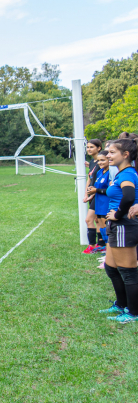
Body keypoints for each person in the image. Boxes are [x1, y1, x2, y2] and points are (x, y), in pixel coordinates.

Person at [97, 138, 138, 323]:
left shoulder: (128, 173)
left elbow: (129, 196)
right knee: (111, 267)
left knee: (127, 271)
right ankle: (121, 305)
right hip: (116, 227)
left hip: (124, 226)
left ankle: (133, 312)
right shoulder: (121, 173)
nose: (108, 155)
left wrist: (118, 214)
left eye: (112, 152)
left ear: (126, 155)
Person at [85, 152, 111, 254]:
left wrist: (96, 190)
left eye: (103, 160)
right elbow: (96, 186)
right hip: (98, 203)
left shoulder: (111, 173)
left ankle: (109, 253)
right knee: (102, 228)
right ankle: (106, 250)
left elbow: (110, 190)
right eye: (99, 160)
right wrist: (91, 191)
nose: (100, 162)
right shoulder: (100, 172)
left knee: (108, 229)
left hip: (106, 204)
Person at [83, 139, 103, 254]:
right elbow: (90, 178)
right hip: (91, 194)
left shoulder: (101, 162)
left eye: (91, 147)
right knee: (97, 220)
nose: (89, 149)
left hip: (98, 194)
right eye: (88, 147)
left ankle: (92, 245)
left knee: (89, 219)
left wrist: (93, 193)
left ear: (99, 148)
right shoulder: (92, 162)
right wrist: (86, 193)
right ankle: (100, 245)